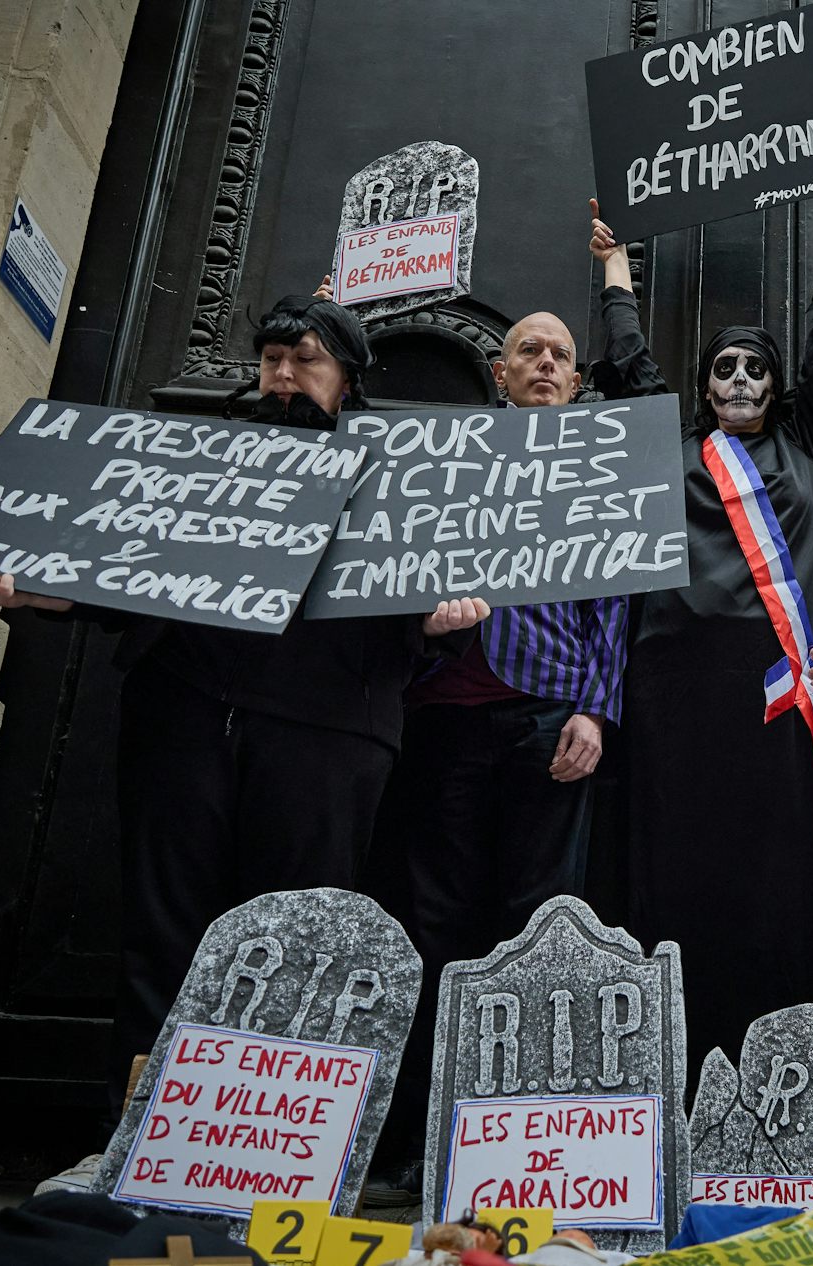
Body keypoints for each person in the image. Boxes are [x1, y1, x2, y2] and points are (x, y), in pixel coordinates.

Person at [0, 295, 490, 1089]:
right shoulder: (196, 461)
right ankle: (140, 1131)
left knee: (303, 942)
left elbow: (429, 617)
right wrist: (28, 589)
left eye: (306, 359)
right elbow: (113, 573)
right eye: (272, 358)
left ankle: (273, 1147)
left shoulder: (400, 481)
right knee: (165, 931)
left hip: (328, 735)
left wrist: (448, 621)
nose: (283, 375)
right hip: (186, 718)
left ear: (348, 379)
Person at [588, 151, 813, 1064]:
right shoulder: (672, 448)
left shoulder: (806, 442)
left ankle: (777, 1051)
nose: (744, 382)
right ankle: (679, 1053)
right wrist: (613, 265)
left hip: (777, 690)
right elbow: (632, 366)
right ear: (707, 384)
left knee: (777, 869)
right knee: (680, 866)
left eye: (757, 368)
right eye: (726, 369)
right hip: (676, 687)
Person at [358, 306, 628, 1201]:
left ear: (577, 381)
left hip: (548, 716)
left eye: (560, 355)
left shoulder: (601, 467)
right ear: (501, 373)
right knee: (426, 924)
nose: (545, 363)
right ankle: (408, 1141)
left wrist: (595, 711)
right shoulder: (449, 460)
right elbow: (393, 555)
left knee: (540, 927)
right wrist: (419, 620)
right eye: (529, 353)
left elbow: (616, 602)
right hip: (440, 716)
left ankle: (515, 1148)